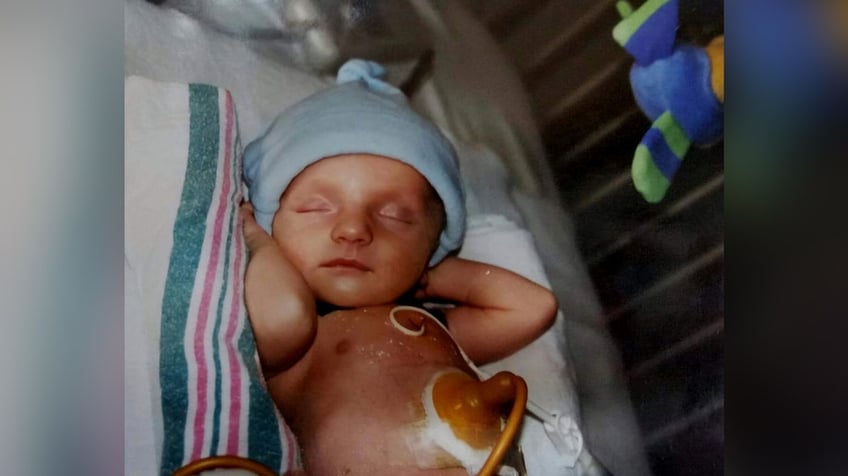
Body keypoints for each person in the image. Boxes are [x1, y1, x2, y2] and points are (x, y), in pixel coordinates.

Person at [241, 59, 557, 476]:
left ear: (434, 239)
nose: (354, 229)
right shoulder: (298, 342)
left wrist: (431, 270)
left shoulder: (427, 327)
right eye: (316, 208)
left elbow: (533, 306)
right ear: (269, 218)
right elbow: (281, 317)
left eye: (395, 217)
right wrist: (258, 243)